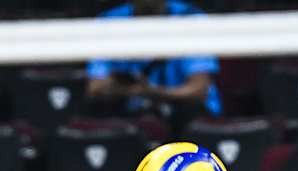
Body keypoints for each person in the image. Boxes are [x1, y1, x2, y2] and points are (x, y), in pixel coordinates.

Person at [85, 0, 222, 123]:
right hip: (128, 111)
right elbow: (96, 87)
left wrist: (150, 91)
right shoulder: (108, 21)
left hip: (182, 111)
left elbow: (197, 90)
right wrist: (128, 89)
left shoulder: (190, 18)